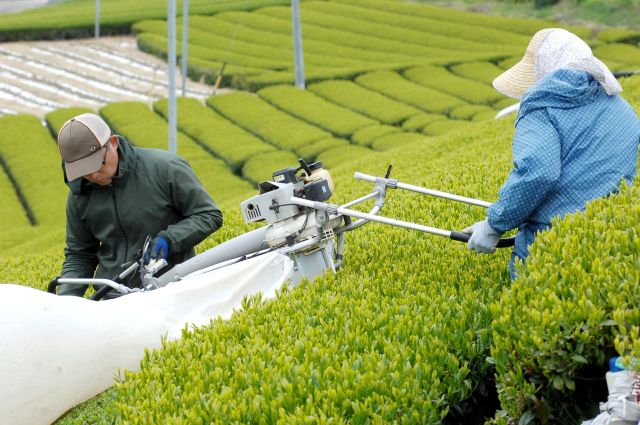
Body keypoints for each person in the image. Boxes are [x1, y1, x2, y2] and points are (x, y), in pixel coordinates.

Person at [464, 28, 640, 279]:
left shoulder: (543, 108)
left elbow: (537, 172)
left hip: (551, 244)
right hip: (614, 239)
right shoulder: (623, 110)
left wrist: (493, 226)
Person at [56, 113, 223, 296]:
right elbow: (80, 255)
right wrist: (66, 301)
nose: (93, 175)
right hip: (114, 297)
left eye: (97, 164)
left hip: (173, 287)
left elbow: (209, 214)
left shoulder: (165, 169)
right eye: (83, 170)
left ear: (112, 143)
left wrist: (169, 239)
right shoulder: (80, 195)